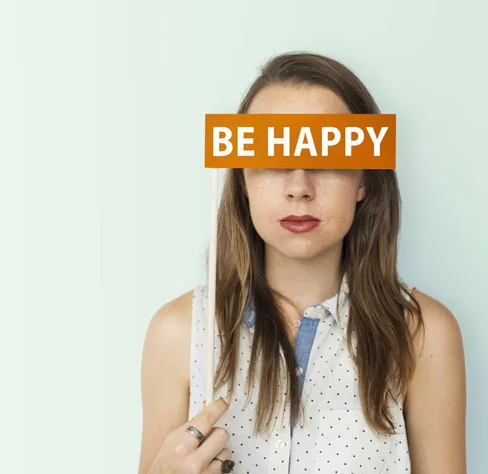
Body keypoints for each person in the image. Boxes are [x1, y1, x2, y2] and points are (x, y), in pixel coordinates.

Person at [138, 52, 467, 474]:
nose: (299, 187)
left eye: (326, 157)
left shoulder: (423, 335)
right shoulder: (179, 332)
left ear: (364, 179)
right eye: (273, 157)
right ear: (241, 179)